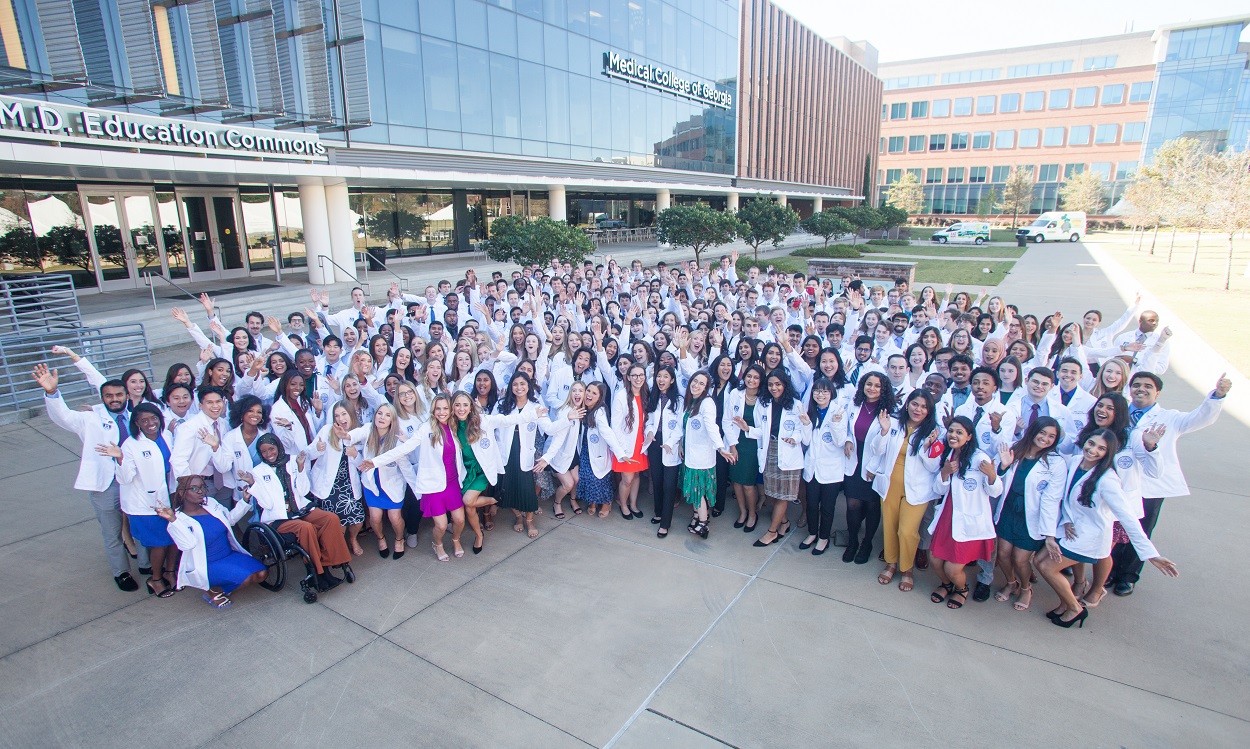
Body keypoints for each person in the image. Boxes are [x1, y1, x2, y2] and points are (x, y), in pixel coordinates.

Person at [1037, 429, 1179, 628]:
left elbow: (1127, 517)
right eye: (1091, 444)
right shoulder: (1075, 462)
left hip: (1090, 536)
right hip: (1071, 529)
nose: (1093, 450)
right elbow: (1066, 497)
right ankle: (1064, 603)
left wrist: (1151, 554)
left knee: (1046, 567)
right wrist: (1067, 520)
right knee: (1038, 560)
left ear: (1108, 453)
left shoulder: (1107, 480)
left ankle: (1074, 609)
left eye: (1101, 448)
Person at [1108, 371, 1230, 595]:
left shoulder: (1170, 417)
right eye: (1136, 385)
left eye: (1147, 386)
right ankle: (1111, 571)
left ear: (1158, 392)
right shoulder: (1120, 413)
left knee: (1142, 530)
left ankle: (1128, 576)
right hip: (1121, 482)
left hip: (1150, 486)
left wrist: (1217, 396)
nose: (1140, 389)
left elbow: (1200, 418)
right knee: (1117, 528)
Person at [32, 363, 140, 591]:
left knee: (142, 524)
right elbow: (63, 417)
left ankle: (148, 565)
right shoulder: (89, 419)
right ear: (102, 398)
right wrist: (52, 393)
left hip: (135, 480)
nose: (114, 399)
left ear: (126, 395)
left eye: (119, 394)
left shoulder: (139, 417)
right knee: (112, 531)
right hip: (106, 483)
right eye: (108, 396)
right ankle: (121, 572)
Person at [244, 433, 354, 591]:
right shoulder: (258, 472)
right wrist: (253, 484)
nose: (269, 454)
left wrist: (301, 469)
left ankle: (331, 561)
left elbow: (303, 490)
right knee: (305, 528)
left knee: (330, 519)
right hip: (278, 518)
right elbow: (267, 504)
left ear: (278, 447)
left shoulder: (293, 460)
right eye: (264, 451)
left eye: (271, 449)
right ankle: (317, 571)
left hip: (299, 509)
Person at [367, 394, 467, 561]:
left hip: (452, 482)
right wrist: (375, 462)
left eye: (445, 408)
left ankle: (456, 540)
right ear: (433, 410)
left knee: (459, 520)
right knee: (441, 525)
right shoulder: (426, 428)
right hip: (433, 484)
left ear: (451, 410)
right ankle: (438, 544)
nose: (442, 412)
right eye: (438, 408)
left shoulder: (454, 425)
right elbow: (403, 449)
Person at [97, 402, 178, 597]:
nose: (151, 423)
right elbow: (124, 479)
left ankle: (169, 572)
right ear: (137, 423)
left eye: (154, 418)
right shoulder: (131, 444)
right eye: (144, 420)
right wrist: (120, 459)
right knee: (159, 542)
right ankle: (155, 579)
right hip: (144, 504)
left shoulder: (166, 435)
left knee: (175, 538)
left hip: (170, 497)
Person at [869, 390, 942, 594]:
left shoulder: (935, 431)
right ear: (907, 404)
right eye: (915, 404)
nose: (918, 410)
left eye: (924, 407)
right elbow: (877, 450)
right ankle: (892, 563)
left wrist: (927, 446)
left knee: (908, 531)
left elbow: (934, 466)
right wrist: (883, 432)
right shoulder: (892, 422)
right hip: (891, 484)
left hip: (917, 489)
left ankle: (907, 568)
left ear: (929, 410)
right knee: (890, 526)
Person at [991, 417, 1066, 612]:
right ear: (1034, 431)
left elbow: (1052, 500)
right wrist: (1004, 466)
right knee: (1003, 554)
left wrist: (1049, 535)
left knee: (1020, 559)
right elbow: (997, 478)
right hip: (1008, 510)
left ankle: (1026, 588)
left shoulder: (1056, 463)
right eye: (1043, 433)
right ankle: (1011, 582)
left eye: (1052, 436)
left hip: (1031, 516)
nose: (1046, 439)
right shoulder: (1017, 449)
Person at [928, 416, 1002, 610]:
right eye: (951, 431)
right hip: (948, 516)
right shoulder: (948, 455)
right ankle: (946, 585)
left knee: (952, 568)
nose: (953, 435)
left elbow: (995, 491)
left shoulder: (981, 459)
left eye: (959, 432)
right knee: (935, 561)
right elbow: (940, 490)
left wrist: (993, 476)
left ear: (969, 436)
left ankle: (961, 588)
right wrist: (944, 472)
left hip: (969, 519)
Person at [158, 475, 264, 609]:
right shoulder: (178, 520)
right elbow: (188, 544)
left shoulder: (211, 503)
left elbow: (230, 519)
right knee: (246, 577)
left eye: (202, 487)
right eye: (194, 488)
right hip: (206, 564)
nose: (200, 491)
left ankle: (226, 584)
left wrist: (244, 500)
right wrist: (173, 521)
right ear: (182, 492)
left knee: (261, 574)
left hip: (228, 555)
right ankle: (213, 592)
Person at [744, 371, 809, 547]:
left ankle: (772, 532)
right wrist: (747, 428)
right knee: (772, 494)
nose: (774, 387)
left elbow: (801, 431)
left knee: (783, 497)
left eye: (778, 384)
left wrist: (793, 438)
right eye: (771, 384)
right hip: (769, 451)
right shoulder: (764, 403)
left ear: (785, 385)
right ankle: (784, 522)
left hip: (788, 453)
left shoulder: (796, 405)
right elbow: (761, 432)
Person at [843, 372, 896, 564]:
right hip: (854, 460)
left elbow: (884, 446)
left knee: (872, 506)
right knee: (852, 505)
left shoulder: (889, 411)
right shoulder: (854, 404)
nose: (872, 388)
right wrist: (848, 440)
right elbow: (847, 428)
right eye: (868, 384)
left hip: (875, 463)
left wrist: (883, 430)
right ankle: (852, 541)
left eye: (877, 386)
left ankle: (867, 543)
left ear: (884, 390)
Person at [799, 378, 850, 555]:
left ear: (831, 394)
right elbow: (805, 441)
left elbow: (840, 441)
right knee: (812, 505)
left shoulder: (839, 412)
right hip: (812, 467)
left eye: (825, 391)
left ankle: (823, 537)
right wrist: (806, 423)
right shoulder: (810, 411)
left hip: (831, 469)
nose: (820, 395)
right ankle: (812, 533)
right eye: (817, 391)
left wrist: (836, 423)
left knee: (827, 507)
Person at [493, 372, 548, 539]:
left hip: (524, 451)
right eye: (515, 384)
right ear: (511, 386)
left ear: (528, 386)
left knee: (527, 489)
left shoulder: (535, 405)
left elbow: (549, 428)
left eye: (523, 384)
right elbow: (492, 424)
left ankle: (529, 521)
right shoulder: (503, 403)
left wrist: (567, 419)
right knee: (509, 488)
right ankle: (518, 517)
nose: (519, 387)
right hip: (506, 451)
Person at [307, 403, 366, 557]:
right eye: (337, 415)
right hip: (330, 484)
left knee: (358, 519)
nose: (341, 418)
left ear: (351, 415)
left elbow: (363, 464)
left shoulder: (359, 433)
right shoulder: (327, 430)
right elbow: (309, 453)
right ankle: (339, 545)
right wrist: (317, 449)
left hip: (349, 484)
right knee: (337, 522)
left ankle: (353, 539)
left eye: (344, 414)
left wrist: (354, 454)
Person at [681, 371, 728, 538]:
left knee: (698, 490)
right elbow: (684, 426)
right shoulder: (690, 401)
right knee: (694, 489)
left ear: (706, 388)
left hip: (702, 457)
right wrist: (680, 443)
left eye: (701, 384)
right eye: (695, 381)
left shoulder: (707, 403)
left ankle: (703, 523)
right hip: (690, 454)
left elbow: (711, 427)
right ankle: (696, 516)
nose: (696, 385)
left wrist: (721, 448)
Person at [723, 364, 765, 532]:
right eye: (749, 376)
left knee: (748, 484)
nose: (751, 380)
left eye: (756, 377)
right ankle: (742, 512)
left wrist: (748, 429)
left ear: (761, 380)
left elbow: (766, 431)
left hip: (753, 445)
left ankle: (752, 514)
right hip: (736, 442)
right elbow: (727, 421)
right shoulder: (736, 394)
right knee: (736, 482)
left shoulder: (765, 399)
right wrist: (732, 446)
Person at [644, 366, 684, 537]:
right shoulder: (653, 397)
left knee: (669, 484)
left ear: (672, 380)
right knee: (657, 480)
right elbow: (649, 421)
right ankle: (658, 512)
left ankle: (665, 523)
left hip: (671, 445)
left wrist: (669, 443)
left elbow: (680, 427)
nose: (661, 380)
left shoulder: (679, 400)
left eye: (665, 376)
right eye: (659, 376)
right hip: (655, 442)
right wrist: (650, 432)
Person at [611, 364, 650, 519]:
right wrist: (622, 449)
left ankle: (633, 504)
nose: (638, 378)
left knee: (637, 476)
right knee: (627, 479)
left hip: (640, 442)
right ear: (628, 377)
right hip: (626, 443)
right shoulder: (621, 396)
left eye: (641, 375)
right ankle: (624, 504)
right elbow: (616, 426)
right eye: (634, 375)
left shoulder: (646, 394)